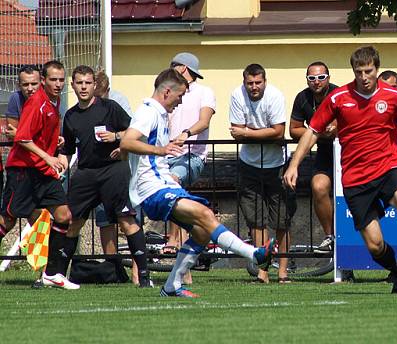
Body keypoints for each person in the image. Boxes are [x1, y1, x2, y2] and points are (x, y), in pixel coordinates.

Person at [284, 46, 397, 293]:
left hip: (389, 166)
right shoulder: (338, 98)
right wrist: (294, 165)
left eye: (369, 71)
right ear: (353, 71)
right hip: (356, 178)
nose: (364, 77)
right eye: (359, 72)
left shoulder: (394, 96)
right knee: (375, 246)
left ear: (376, 68)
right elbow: (311, 131)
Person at [120, 68, 275, 298]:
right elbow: (127, 141)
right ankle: (254, 255)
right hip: (152, 189)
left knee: (203, 230)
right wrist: (159, 150)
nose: (181, 101)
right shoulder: (148, 111)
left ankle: (172, 285)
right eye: (180, 95)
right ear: (167, 92)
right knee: (204, 213)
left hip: (164, 184)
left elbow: (128, 148)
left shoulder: (160, 113)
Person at [61, 65, 152, 288]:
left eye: (87, 83)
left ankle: (144, 277)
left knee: (125, 219)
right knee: (72, 222)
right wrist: (60, 161)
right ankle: (57, 275)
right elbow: (68, 150)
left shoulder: (110, 108)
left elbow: (136, 132)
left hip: (113, 170)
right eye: (79, 83)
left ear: (94, 85)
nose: (83, 87)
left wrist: (117, 138)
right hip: (85, 174)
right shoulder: (70, 116)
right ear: (72, 85)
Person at [0, 60, 76, 289]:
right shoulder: (37, 102)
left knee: (64, 216)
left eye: (61, 79)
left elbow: (40, 134)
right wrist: (48, 157)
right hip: (23, 170)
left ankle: (51, 273)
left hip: (42, 171)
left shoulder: (55, 101)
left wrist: (55, 143)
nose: (58, 83)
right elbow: (22, 137)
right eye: (53, 79)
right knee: (8, 220)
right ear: (44, 80)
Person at [229, 63, 296, 283]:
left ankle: (284, 271)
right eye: (250, 83)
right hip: (248, 165)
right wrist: (261, 134)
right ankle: (263, 270)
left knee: (281, 222)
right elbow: (235, 133)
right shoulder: (237, 95)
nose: (254, 87)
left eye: (258, 82)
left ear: (265, 81)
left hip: (277, 165)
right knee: (256, 222)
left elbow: (278, 132)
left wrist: (248, 132)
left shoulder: (275, 96)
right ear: (244, 82)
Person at [164, 52, 216, 285]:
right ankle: (184, 273)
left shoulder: (205, 92)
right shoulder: (168, 91)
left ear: (182, 69)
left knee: (173, 183)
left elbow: (204, 121)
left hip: (192, 156)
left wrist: (186, 134)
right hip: (167, 155)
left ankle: (173, 238)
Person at [289, 62, 338, 253]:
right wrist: (317, 131)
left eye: (321, 77)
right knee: (318, 186)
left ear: (328, 77)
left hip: (347, 150)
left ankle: (352, 236)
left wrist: (335, 128)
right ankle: (330, 236)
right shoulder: (302, 97)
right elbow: (294, 129)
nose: (316, 81)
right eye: (312, 78)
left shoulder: (339, 94)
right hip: (324, 151)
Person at [4, 65, 41, 139]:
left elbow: (51, 134)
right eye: (25, 84)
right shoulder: (16, 98)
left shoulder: (48, 98)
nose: (30, 88)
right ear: (19, 85)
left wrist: (20, 135)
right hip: (23, 148)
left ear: (42, 82)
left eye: (34, 84)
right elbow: (11, 134)